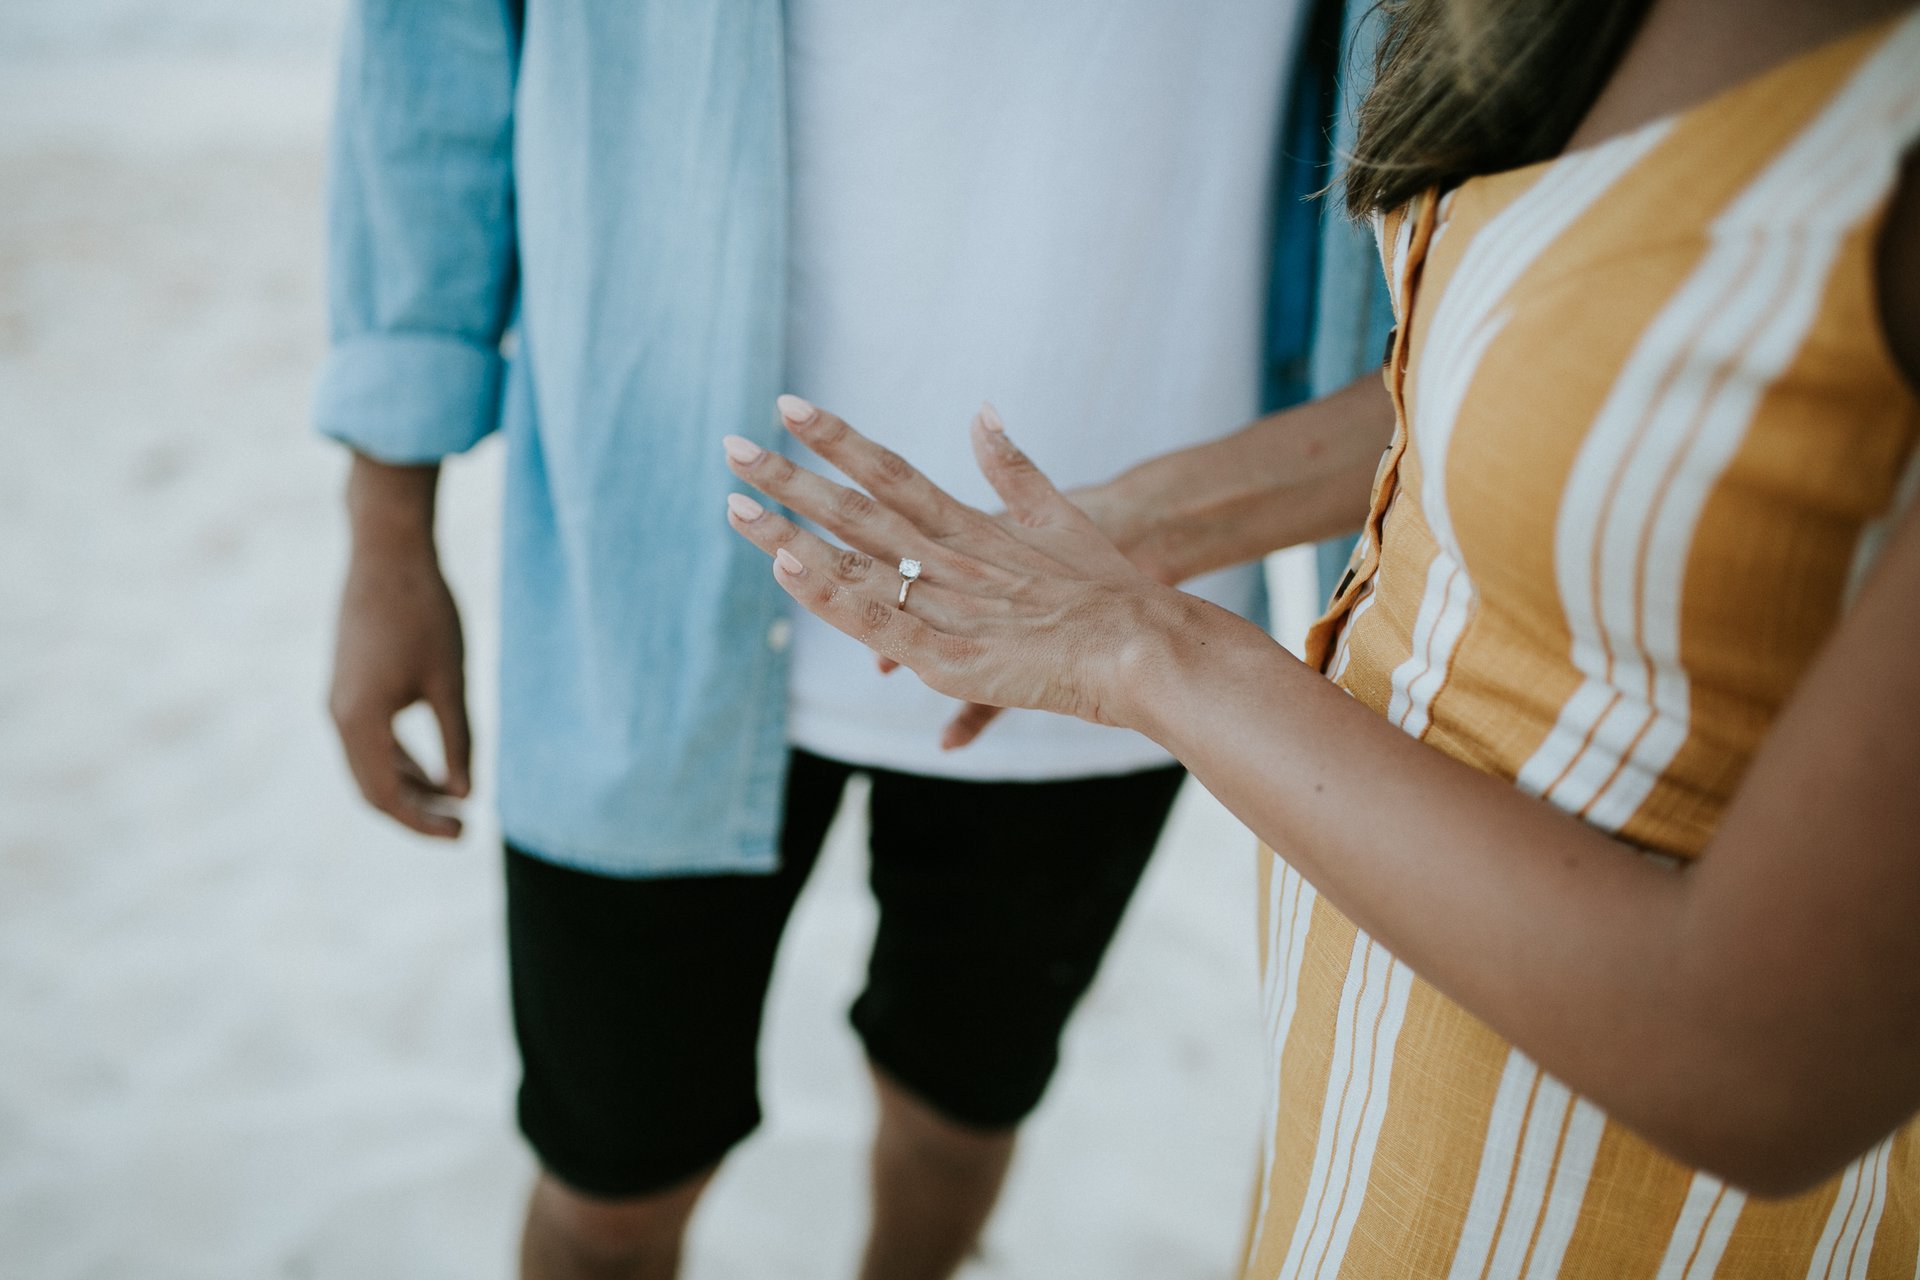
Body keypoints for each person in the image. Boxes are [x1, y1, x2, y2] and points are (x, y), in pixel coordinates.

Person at [724, 0, 1920, 1274]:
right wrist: (1133, 524)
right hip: (1366, 1118)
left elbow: (1756, 1061)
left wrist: (1151, 647)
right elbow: (1540, 373)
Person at [316, 2, 1331, 1277]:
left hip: (1122, 611)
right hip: (659, 587)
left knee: (961, 1115)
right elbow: (434, 64)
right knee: (609, 1180)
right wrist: (385, 528)